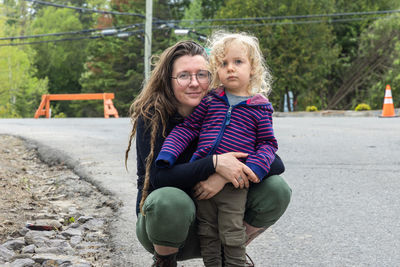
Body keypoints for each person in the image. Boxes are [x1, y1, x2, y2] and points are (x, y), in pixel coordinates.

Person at [125, 40, 291, 267]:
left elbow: (274, 161)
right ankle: (165, 260)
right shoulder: (153, 117)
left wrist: (223, 175)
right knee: (170, 200)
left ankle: (233, 252)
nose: (194, 83)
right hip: (169, 229)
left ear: (211, 76)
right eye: (184, 76)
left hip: (222, 223)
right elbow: (158, 178)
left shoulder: (225, 109)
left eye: (202, 74)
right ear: (169, 80)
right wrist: (214, 163)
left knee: (277, 188)